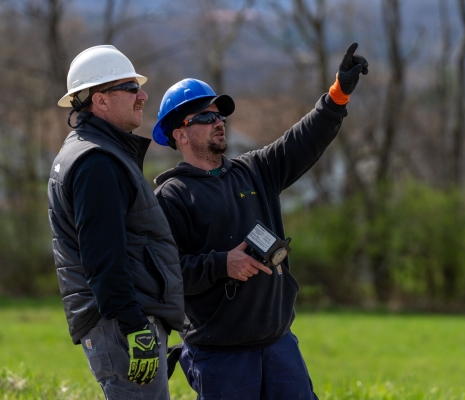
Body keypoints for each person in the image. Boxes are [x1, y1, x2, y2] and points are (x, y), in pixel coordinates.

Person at [152, 42, 368, 399]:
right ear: (180, 133)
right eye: (205, 118)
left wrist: (338, 94)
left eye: (219, 115)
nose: (217, 122)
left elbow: (303, 140)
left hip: (279, 344)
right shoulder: (171, 197)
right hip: (220, 357)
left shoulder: (255, 171)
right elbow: (166, 276)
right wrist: (224, 264)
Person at [47, 45, 184, 400]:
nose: (143, 95)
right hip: (120, 324)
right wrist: (134, 325)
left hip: (118, 320)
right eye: (130, 88)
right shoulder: (96, 163)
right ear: (101, 100)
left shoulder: (96, 152)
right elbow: (102, 256)